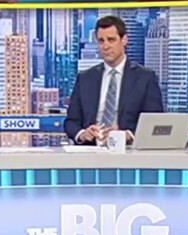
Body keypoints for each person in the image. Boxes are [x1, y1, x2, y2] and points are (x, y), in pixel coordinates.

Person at [63, 16, 164, 145]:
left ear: (124, 40)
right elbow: (71, 122)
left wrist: (127, 135)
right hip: (91, 149)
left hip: (127, 150)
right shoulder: (85, 78)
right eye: (101, 41)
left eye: (111, 40)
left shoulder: (145, 78)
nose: (105, 46)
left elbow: (155, 122)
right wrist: (82, 133)